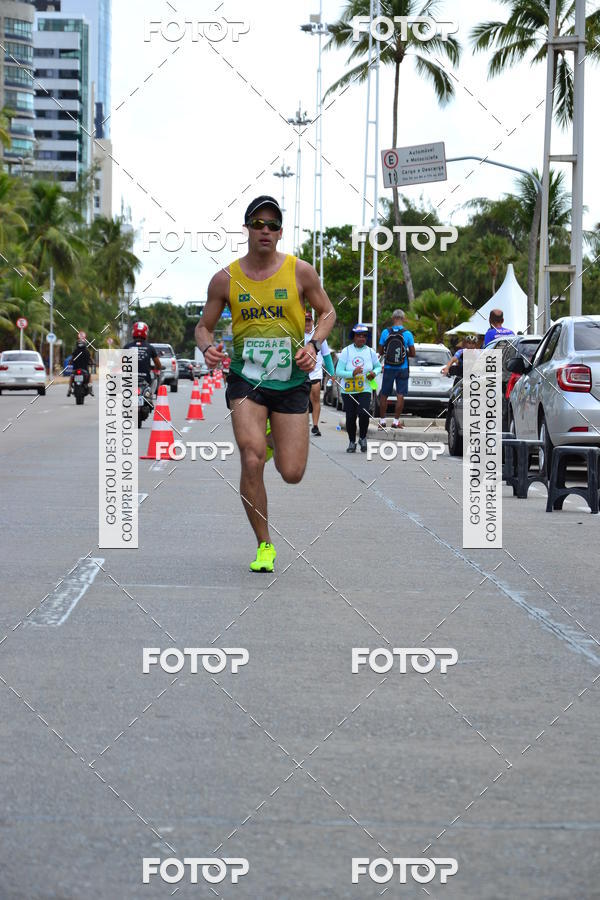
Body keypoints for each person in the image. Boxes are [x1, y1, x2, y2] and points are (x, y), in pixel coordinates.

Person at [195, 195, 335, 574]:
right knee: (250, 456)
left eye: (273, 225)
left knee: (292, 473)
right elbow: (203, 325)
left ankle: (272, 443)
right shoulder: (225, 278)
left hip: (290, 381)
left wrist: (313, 345)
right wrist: (207, 347)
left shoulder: (300, 272)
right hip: (246, 380)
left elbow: (327, 311)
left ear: (280, 232)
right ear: (248, 228)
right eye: (259, 223)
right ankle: (265, 545)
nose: (266, 230)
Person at [336, 324, 381, 453]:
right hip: (348, 390)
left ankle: (362, 437)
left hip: (365, 389)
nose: (361, 338)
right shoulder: (347, 351)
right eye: (358, 335)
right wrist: (352, 373)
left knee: (363, 413)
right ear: (353, 337)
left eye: (364, 336)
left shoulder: (370, 352)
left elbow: (377, 367)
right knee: (350, 417)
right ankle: (351, 441)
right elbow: (338, 371)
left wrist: (374, 373)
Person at [378, 309, 415, 429]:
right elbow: (413, 353)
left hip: (389, 367)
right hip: (402, 368)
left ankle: (382, 421)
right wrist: (403, 354)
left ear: (393, 318)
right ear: (403, 319)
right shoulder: (407, 334)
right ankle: (395, 422)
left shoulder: (385, 332)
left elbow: (381, 351)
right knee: (400, 395)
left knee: (384, 394)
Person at [304, 309, 334, 436]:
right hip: (301, 373)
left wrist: (332, 373)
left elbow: (327, 356)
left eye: (308, 321)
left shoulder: (319, 336)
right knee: (302, 400)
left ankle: (315, 425)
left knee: (315, 397)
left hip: (315, 372)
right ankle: (303, 425)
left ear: (312, 321)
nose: (307, 324)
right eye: (304, 321)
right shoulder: (297, 335)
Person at [124, 322, 162, 396]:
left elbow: (121, 363)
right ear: (146, 333)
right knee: (154, 380)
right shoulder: (150, 348)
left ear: (133, 332)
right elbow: (158, 365)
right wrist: (155, 368)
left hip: (130, 379)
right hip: (145, 379)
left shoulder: (127, 347)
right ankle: (150, 396)